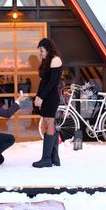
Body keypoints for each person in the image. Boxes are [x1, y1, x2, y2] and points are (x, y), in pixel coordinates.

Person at [32, 38, 62, 168]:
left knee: (49, 124)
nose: (40, 53)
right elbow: (43, 81)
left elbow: (52, 83)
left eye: (42, 50)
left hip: (51, 97)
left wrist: (42, 97)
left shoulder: (55, 60)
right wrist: (38, 96)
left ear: (48, 49)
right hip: (46, 96)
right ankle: (54, 158)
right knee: (48, 124)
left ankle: (46, 159)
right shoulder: (47, 61)